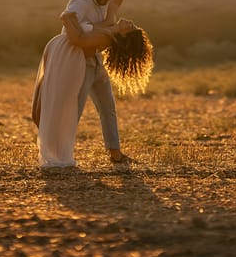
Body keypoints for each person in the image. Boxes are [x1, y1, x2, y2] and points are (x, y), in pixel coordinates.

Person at [32, 13, 154, 168]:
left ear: (124, 36)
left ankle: (115, 153)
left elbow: (81, 41)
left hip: (93, 68)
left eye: (130, 27)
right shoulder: (110, 28)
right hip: (87, 67)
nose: (129, 21)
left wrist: (67, 18)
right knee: (74, 110)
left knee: (107, 109)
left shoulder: (108, 36)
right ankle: (59, 150)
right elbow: (115, 3)